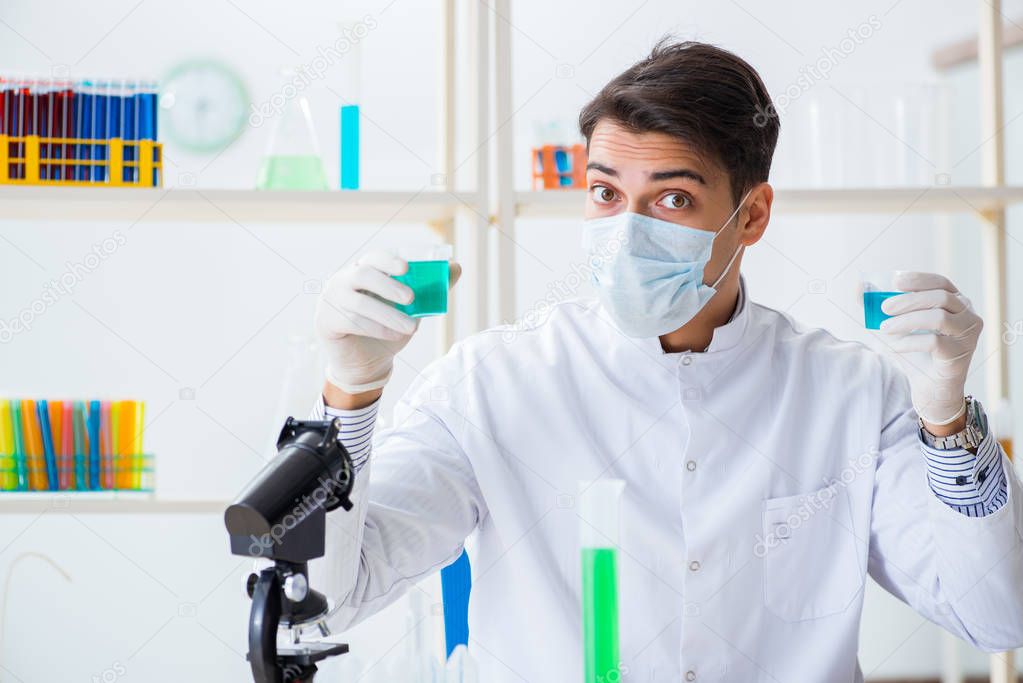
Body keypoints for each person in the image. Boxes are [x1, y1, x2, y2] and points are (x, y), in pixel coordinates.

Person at [308, 40, 1023, 682]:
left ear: (751, 215)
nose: (626, 231)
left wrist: (947, 421)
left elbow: (996, 617)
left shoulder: (849, 390)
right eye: (605, 193)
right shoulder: (490, 383)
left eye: (672, 198)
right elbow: (324, 606)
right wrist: (350, 396)